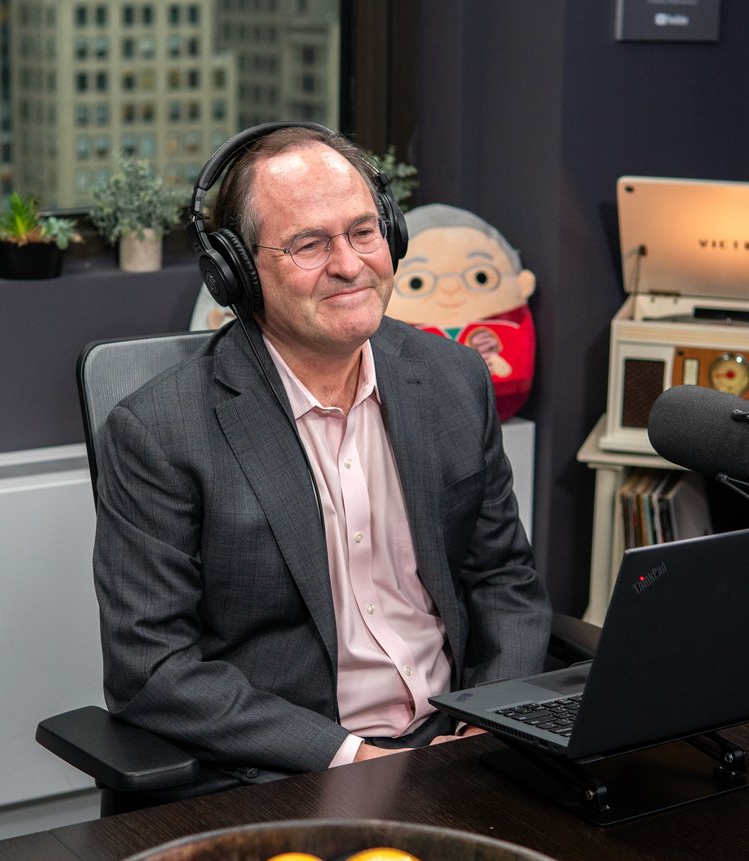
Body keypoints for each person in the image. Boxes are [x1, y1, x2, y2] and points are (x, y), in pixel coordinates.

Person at [92, 124, 550, 790]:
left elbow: (504, 579)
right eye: (309, 244)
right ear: (236, 271)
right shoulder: (159, 432)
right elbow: (152, 668)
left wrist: (490, 721)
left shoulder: (454, 378)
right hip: (297, 770)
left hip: (459, 744)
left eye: (363, 232)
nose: (349, 264)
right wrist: (355, 760)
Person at [388, 203, 537, 421]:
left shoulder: (495, 332)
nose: (451, 289)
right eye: (416, 282)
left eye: (481, 277)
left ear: (522, 284)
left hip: (493, 404)